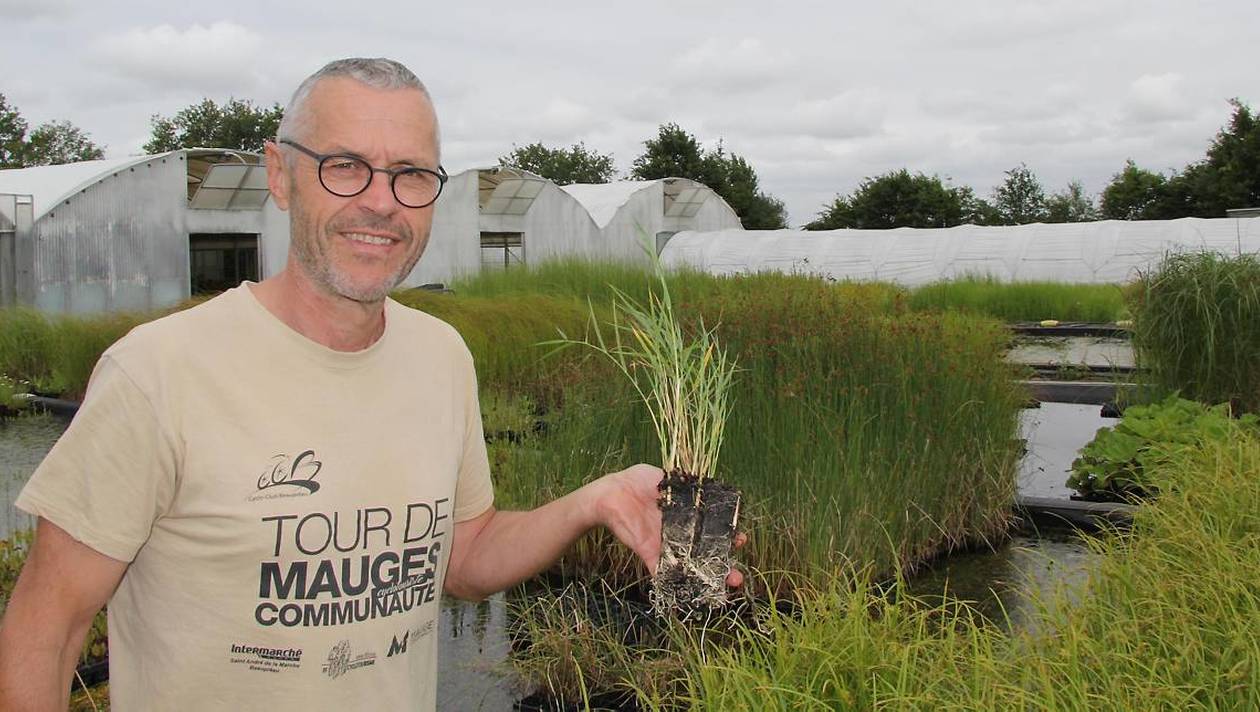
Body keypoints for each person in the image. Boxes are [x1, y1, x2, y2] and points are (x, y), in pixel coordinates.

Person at [0, 57, 740, 711]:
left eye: (410, 174)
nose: (382, 202)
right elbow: (43, 634)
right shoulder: (156, 373)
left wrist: (595, 500)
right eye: (345, 165)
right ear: (282, 176)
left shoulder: (441, 355)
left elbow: (465, 558)